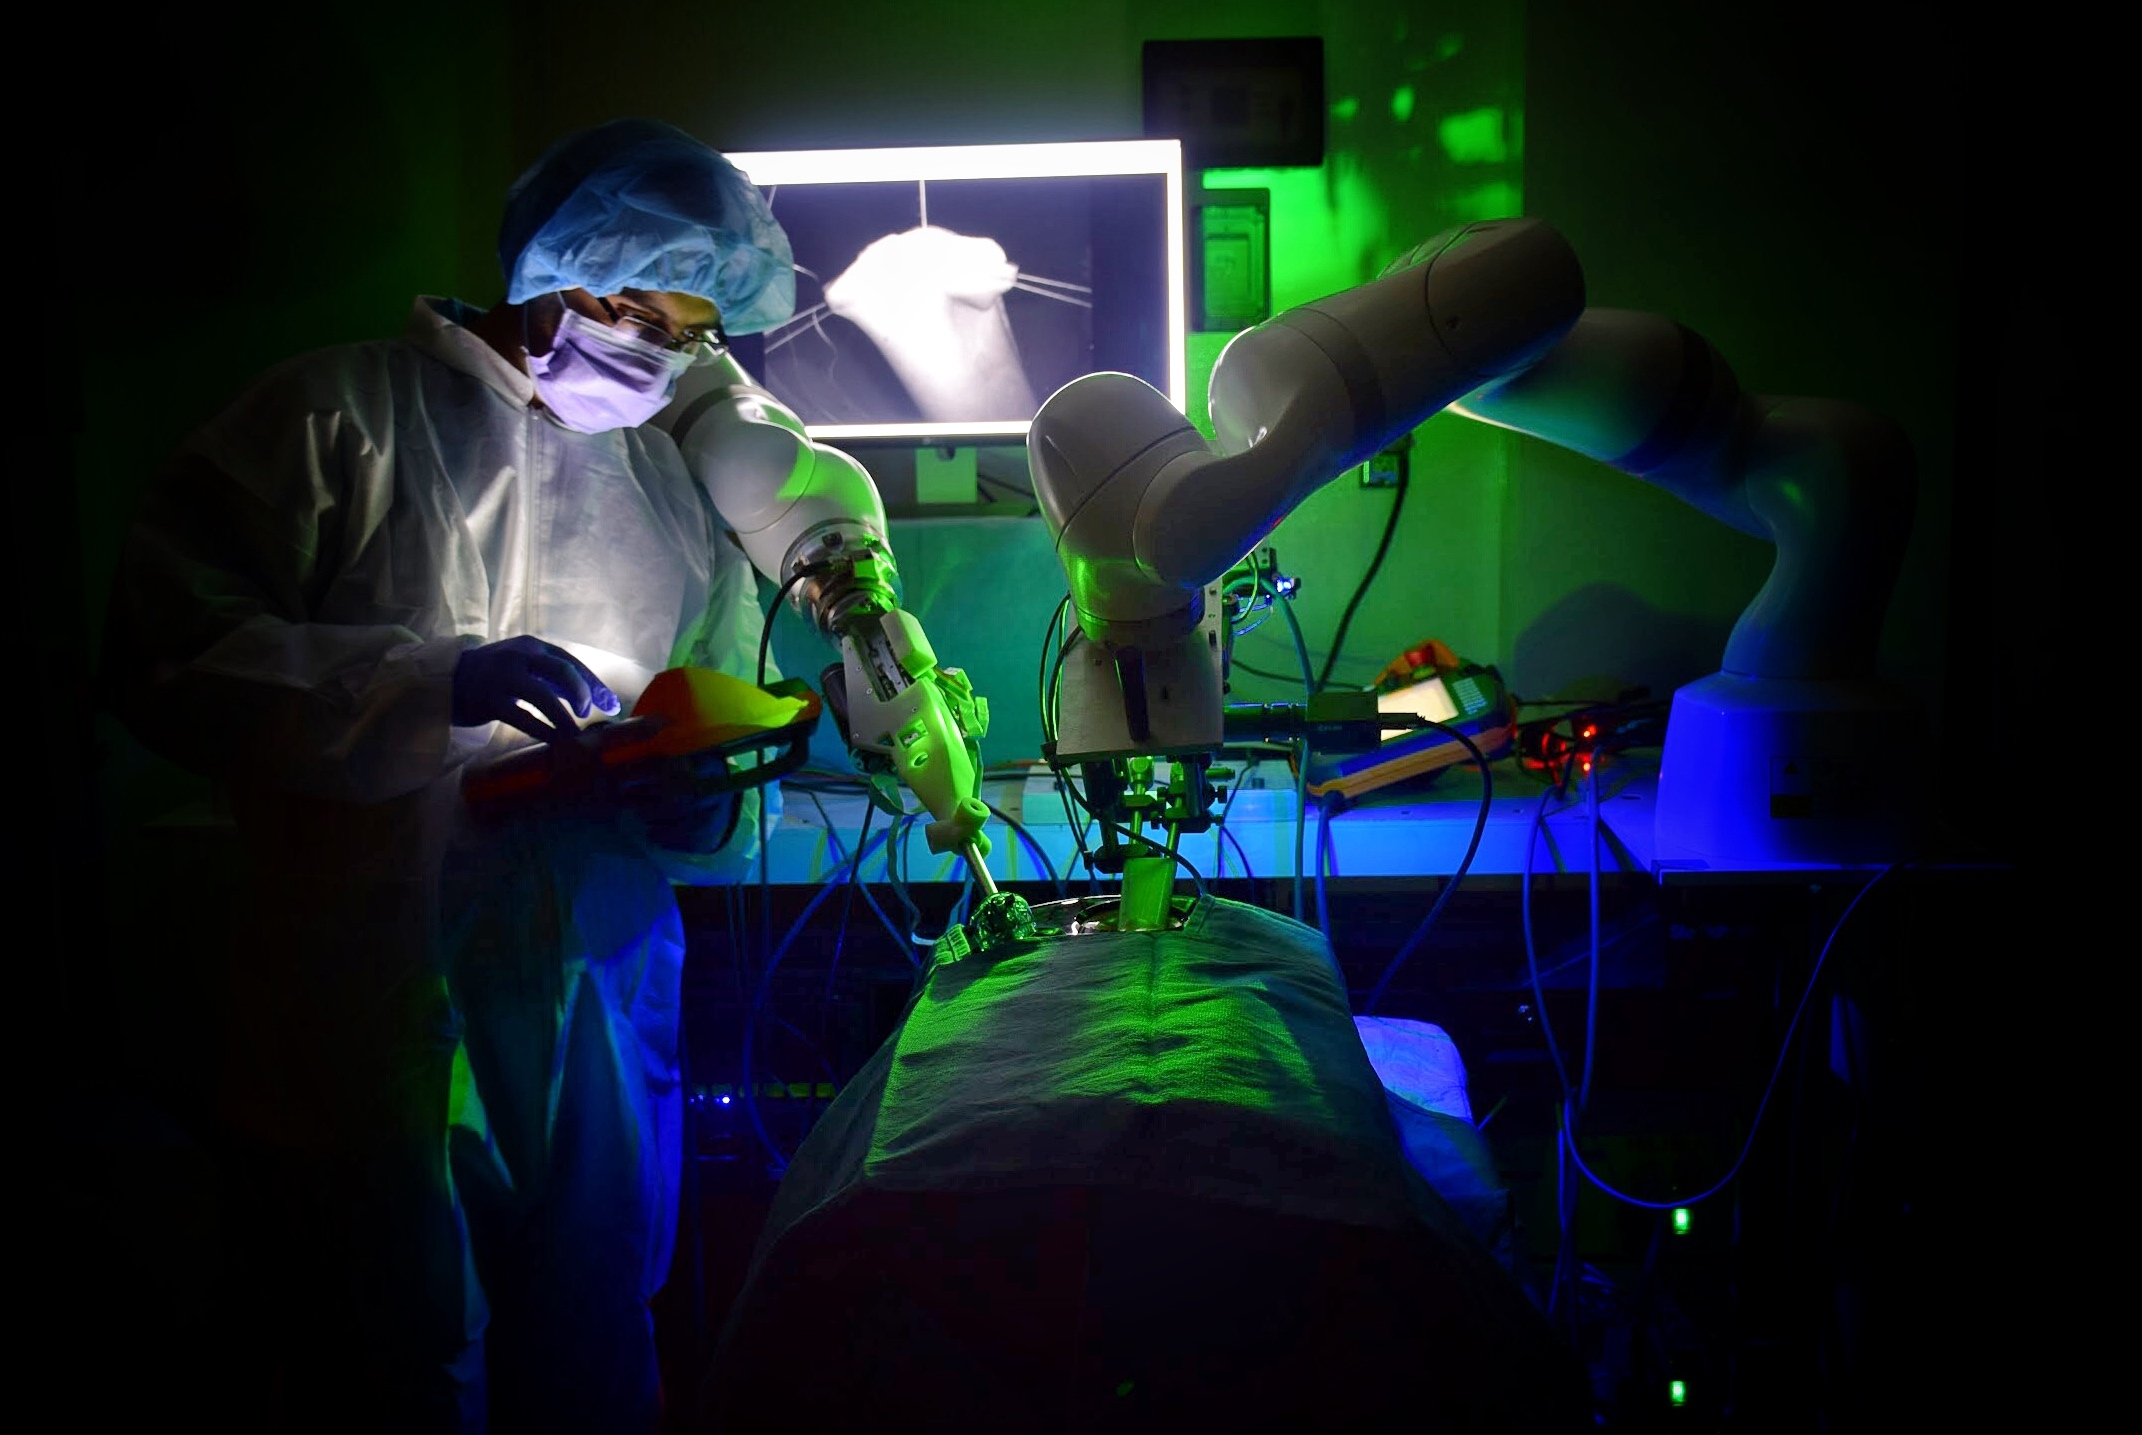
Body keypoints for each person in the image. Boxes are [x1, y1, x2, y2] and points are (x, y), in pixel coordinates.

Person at [101, 118, 796, 1433]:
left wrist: (693, 791)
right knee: (400, 1345)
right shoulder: (332, 421)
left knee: (598, 1322)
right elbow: (167, 656)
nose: (668, 359)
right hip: (374, 988)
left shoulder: (667, 484)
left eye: (696, 336)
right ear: (565, 273)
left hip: (599, 984)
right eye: (649, 316)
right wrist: (430, 686)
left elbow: (703, 701)